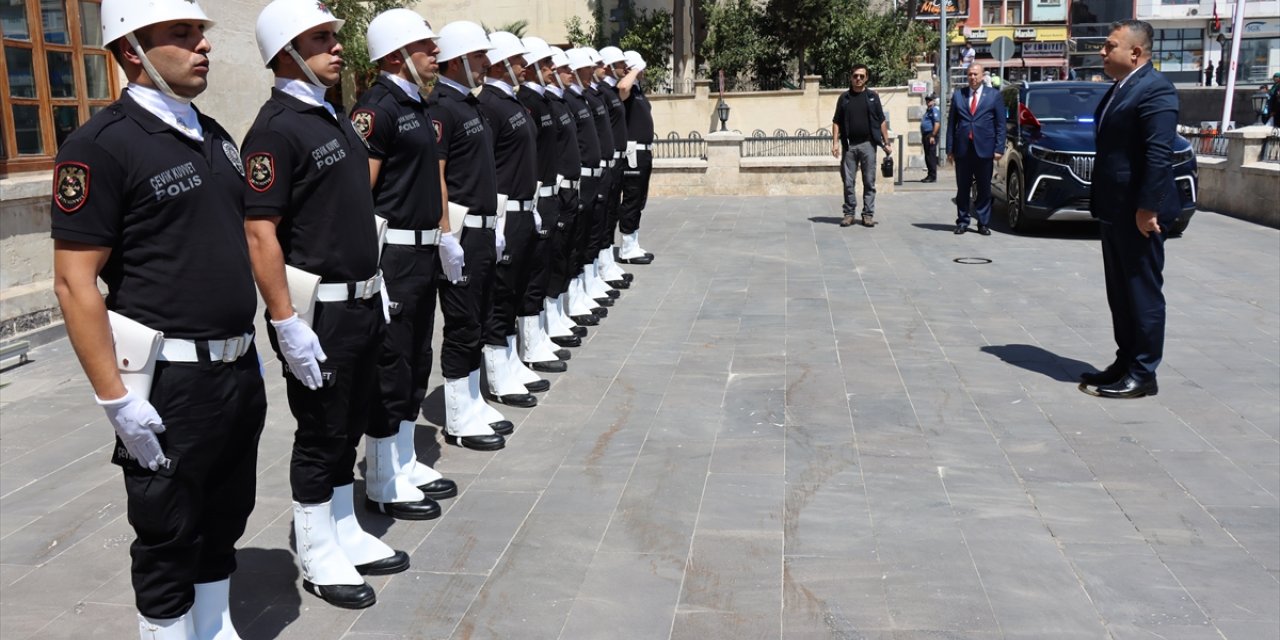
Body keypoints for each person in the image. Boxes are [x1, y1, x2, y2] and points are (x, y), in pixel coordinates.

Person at [52, 2, 266, 636]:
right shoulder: (102, 144)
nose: (202, 45)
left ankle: (213, 625)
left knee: (226, 515)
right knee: (168, 531)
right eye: (182, 33)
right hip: (169, 383)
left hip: (235, 367)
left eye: (201, 32)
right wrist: (116, 400)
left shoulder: (214, 134)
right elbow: (74, 280)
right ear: (130, 51)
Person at [243, 0, 408, 609]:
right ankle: (315, 551)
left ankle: (343, 528)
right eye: (320, 39)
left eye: (335, 37)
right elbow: (260, 233)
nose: (337, 47)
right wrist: (286, 323)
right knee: (320, 431)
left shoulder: (329, 114)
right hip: (320, 313)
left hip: (361, 300)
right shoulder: (275, 130)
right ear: (286, 52)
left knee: (350, 421)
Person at [351, 8, 457, 520]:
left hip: (421, 251)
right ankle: (381, 475)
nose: (435, 54)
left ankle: (404, 458)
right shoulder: (378, 109)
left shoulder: (417, 104)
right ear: (396, 55)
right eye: (426, 47)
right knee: (391, 364)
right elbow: (359, 196)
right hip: (391, 254)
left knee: (417, 357)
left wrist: (443, 237)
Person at [427, 20, 518, 447]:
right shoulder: (442, 106)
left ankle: (474, 400)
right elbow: (439, 176)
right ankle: (459, 417)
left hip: (483, 230)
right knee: (463, 324)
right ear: (460, 59)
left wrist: (495, 225)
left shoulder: (471, 105)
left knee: (479, 318)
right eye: (479, 56)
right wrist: (446, 236)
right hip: (460, 233)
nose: (485, 64)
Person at [1079, 19, 1180, 400]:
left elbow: (1159, 153)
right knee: (1120, 293)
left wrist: (1148, 208)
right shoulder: (1120, 89)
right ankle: (1125, 362)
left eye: (1110, 47)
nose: (1102, 53)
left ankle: (1143, 372)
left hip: (1139, 215)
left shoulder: (1156, 90)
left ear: (1135, 52)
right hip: (1114, 210)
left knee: (1142, 293)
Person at [476, 31, 555, 405]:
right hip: (504, 213)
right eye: (516, 59)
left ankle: (509, 360)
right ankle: (497, 375)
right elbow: (486, 167)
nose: (524, 65)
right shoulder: (489, 105)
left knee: (518, 288)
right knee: (501, 294)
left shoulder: (512, 103)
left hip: (525, 208)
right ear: (498, 64)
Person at [947, 63, 1006, 236]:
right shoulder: (959, 95)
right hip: (963, 150)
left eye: (975, 74)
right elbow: (951, 124)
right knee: (963, 188)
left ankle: (983, 222)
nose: (972, 77)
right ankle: (963, 221)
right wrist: (950, 148)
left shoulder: (994, 96)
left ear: (982, 76)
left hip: (985, 149)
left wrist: (999, 148)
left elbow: (1000, 125)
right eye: (970, 74)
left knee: (984, 188)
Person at [830, 64, 891, 228]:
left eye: (861, 76)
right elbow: (836, 121)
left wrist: (886, 142)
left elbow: (881, 120)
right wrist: (835, 143)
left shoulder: (872, 97)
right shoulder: (844, 98)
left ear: (866, 78)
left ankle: (868, 215)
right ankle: (849, 214)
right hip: (849, 146)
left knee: (869, 182)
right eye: (855, 76)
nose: (858, 79)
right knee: (848, 182)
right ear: (851, 77)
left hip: (868, 145)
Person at [616, 49, 657, 265]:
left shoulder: (638, 90)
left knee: (639, 198)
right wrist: (631, 71)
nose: (643, 71)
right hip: (633, 152)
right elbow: (622, 87)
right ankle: (627, 247)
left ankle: (634, 241)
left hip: (643, 151)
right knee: (632, 197)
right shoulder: (626, 88)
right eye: (640, 68)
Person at [920, 93, 940, 182]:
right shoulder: (928, 110)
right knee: (927, 156)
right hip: (926, 135)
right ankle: (929, 175)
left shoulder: (934, 110)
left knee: (930, 156)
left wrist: (933, 135)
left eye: (930, 100)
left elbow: (937, 123)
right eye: (927, 100)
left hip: (931, 135)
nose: (928, 101)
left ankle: (932, 176)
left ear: (934, 101)